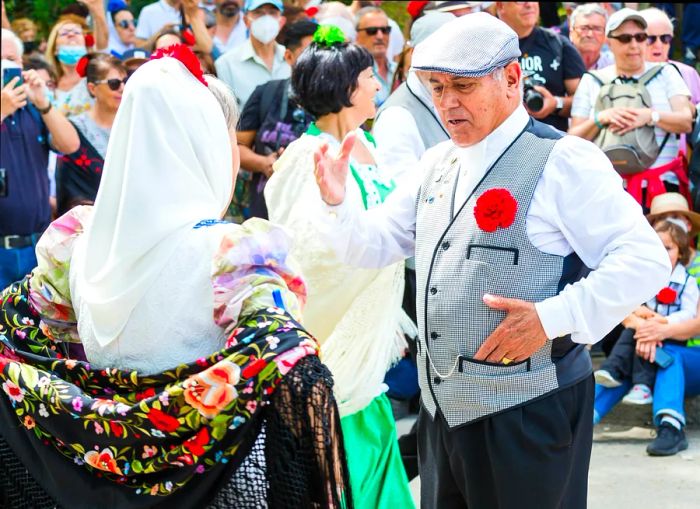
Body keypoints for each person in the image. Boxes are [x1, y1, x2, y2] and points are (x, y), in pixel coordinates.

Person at [310, 13, 670, 509]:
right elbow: (373, 245)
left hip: (530, 411)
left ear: (511, 78)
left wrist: (551, 319)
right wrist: (336, 204)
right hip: (443, 415)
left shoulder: (565, 160)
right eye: (436, 88)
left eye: (462, 86)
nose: (447, 104)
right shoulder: (436, 163)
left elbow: (644, 260)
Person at [0, 45, 351, 508]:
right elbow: (287, 357)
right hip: (217, 483)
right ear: (202, 144)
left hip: (98, 485)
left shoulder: (76, 247)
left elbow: (20, 332)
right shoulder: (233, 252)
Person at [265, 26, 415, 509]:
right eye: (370, 76)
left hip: (366, 333)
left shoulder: (364, 143)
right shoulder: (303, 157)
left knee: (371, 442)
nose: (377, 85)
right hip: (330, 340)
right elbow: (300, 255)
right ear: (346, 89)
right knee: (341, 453)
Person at [569, 8, 693, 208]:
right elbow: (573, 139)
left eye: (640, 37)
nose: (634, 45)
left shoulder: (667, 73)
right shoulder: (592, 80)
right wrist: (601, 118)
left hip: (662, 188)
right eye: (625, 38)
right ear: (609, 42)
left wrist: (650, 116)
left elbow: (686, 121)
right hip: (609, 189)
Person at [0, 29, 80, 288]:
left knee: (39, 327)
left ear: (22, 65)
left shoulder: (34, 107)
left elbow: (70, 145)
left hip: (38, 245)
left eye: (10, 58)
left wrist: (43, 101)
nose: (5, 65)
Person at [594, 220, 697, 413]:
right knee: (632, 333)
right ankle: (612, 369)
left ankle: (643, 386)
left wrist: (663, 323)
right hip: (646, 328)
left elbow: (688, 313)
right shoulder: (648, 276)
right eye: (658, 247)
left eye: (668, 248)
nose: (663, 253)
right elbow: (634, 303)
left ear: (681, 252)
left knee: (648, 340)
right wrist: (642, 318)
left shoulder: (687, 282)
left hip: (672, 337)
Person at [233, 19, 316, 222]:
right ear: (288, 56)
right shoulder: (267, 93)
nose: (317, 61)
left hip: (316, 218)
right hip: (266, 215)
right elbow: (236, 146)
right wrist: (265, 163)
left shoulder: (340, 101)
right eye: (309, 53)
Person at [373, 11, 454, 180]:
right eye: (442, 53)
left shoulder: (452, 94)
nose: (451, 63)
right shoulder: (396, 117)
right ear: (415, 54)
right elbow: (401, 193)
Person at [496, 1, 586, 133]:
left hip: (551, 142)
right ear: (500, 6)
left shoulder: (558, 44)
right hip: (503, 141)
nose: (529, 4)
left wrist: (555, 103)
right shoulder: (489, 49)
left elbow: (584, 102)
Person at [55, 53, 126, 216]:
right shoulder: (74, 129)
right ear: (92, 88)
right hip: (87, 226)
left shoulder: (135, 126)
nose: (122, 88)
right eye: (114, 83)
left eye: (125, 82)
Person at [215, 0, 289, 108]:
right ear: (246, 20)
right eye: (258, 13)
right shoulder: (226, 64)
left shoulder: (291, 59)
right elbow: (228, 115)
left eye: (272, 13)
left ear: (281, 21)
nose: (266, 19)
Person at [640, 7, 700, 106]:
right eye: (650, 39)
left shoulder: (687, 73)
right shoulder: (623, 73)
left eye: (665, 38)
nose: (658, 45)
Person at [44, 15, 94, 117]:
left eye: (77, 32)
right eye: (64, 33)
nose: (71, 34)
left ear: (85, 46)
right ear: (55, 49)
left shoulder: (97, 77)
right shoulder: (49, 85)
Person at [354, 6, 396, 107]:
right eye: (372, 31)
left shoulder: (401, 71)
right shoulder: (352, 74)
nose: (380, 36)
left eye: (385, 30)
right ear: (357, 36)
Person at [569, 3, 614, 71]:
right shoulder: (559, 63)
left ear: (605, 35)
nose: (590, 34)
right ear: (571, 33)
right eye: (584, 28)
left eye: (597, 29)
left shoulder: (614, 64)